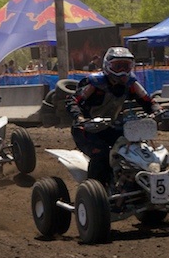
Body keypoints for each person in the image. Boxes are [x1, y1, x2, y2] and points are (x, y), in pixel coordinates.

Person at [66, 47, 162, 185]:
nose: (122, 71)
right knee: (101, 154)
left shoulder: (131, 83)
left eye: (126, 66)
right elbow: (73, 101)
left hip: (110, 127)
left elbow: (148, 101)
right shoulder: (95, 83)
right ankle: (94, 189)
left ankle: (138, 181)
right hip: (86, 129)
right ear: (107, 66)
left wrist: (158, 110)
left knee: (137, 148)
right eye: (118, 67)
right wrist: (80, 118)